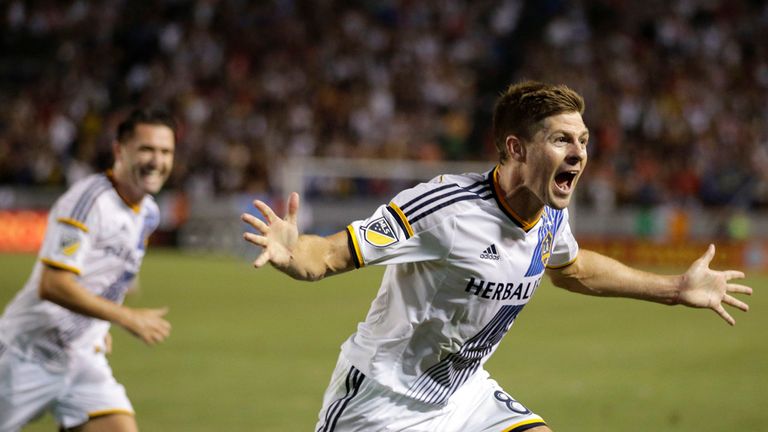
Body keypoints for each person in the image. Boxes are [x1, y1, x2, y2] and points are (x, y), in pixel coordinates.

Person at [240, 81, 752, 432]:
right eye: (561, 140)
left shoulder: (550, 210)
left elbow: (571, 268)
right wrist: (293, 251)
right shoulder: (444, 208)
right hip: (382, 400)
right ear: (517, 148)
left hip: (462, 395)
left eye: (583, 140)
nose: (579, 152)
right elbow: (329, 254)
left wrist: (674, 289)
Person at [0, 108, 177, 432]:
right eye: (147, 149)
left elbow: (109, 278)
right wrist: (125, 317)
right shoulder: (88, 201)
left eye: (166, 151)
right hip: (27, 352)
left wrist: (97, 326)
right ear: (119, 150)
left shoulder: (149, 213)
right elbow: (52, 285)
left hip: (82, 360)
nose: (157, 160)